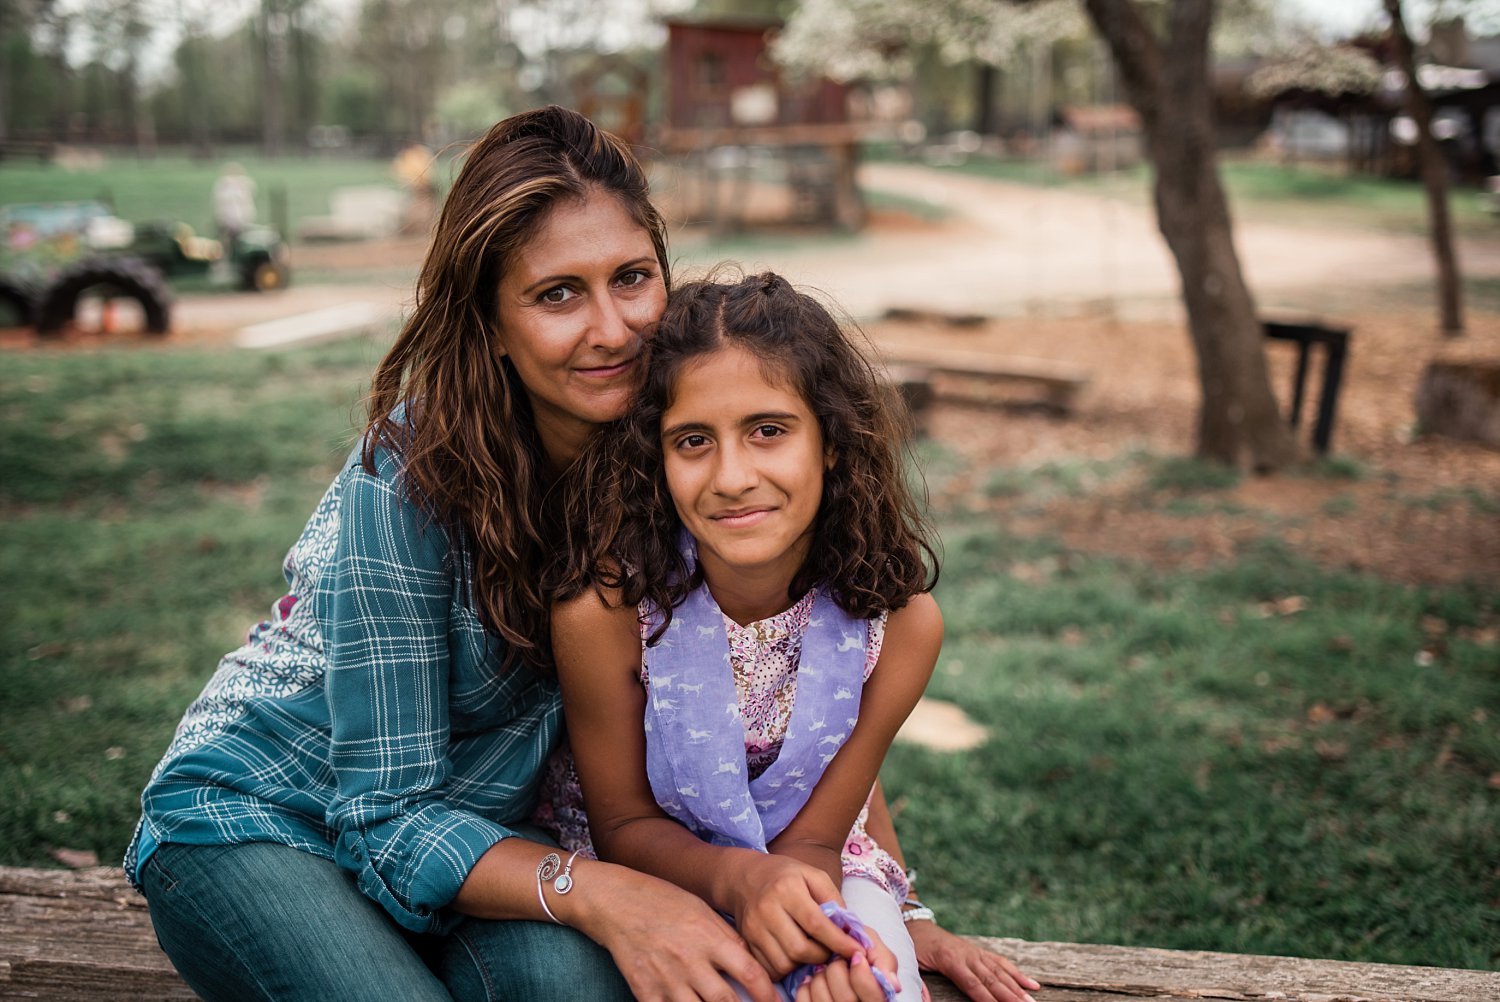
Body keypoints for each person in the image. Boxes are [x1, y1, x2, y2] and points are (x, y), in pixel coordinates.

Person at [130, 104, 1033, 1002]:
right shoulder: (406, 483)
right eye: (557, 294)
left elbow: (798, 693)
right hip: (272, 815)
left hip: (497, 844)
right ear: (490, 321)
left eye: (631, 278)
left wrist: (900, 915)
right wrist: (617, 898)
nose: (612, 330)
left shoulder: (683, 447)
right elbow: (384, 817)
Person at [547, 272, 1037, 1002]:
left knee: (873, 985)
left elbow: (818, 838)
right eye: (692, 441)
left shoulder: (901, 627)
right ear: (658, 459)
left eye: (768, 431)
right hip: (650, 871)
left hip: (815, 863)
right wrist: (747, 884)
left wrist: (830, 935)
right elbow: (622, 822)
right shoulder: (608, 612)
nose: (733, 476)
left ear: (832, 442)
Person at [211, 161, 257, 248]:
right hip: (228, 219)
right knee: (229, 240)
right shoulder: (224, 186)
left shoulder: (243, 184)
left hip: (241, 218)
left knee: (241, 238)